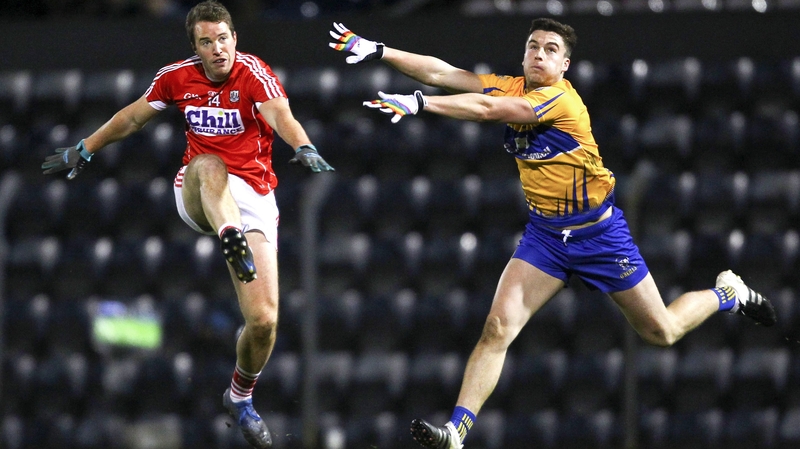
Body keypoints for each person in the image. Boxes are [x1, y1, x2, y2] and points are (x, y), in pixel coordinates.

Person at [329, 19, 776, 449]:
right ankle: (457, 432)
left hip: (600, 236)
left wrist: (422, 104)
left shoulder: (561, 102)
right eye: (532, 46)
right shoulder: (512, 85)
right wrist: (379, 50)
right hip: (546, 236)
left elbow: (486, 109)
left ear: (564, 65)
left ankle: (727, 293)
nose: (539, 54)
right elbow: (443, 72)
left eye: (551, 50)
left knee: (662, 331)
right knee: (496, 327)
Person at [42, 2, 334, 448]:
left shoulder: (254, 73)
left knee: (264, 323)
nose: (217, 49)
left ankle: (240, 397)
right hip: (199, 189)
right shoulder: (177, 77)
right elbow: (133, 116)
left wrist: (305, 145)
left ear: (235, 37)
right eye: (206, 42)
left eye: (223, 38)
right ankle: (227, 235)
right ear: (195, 48)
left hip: (253, 196)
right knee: (208, 163)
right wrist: (86, 147)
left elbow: (281, 116)